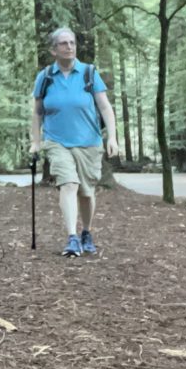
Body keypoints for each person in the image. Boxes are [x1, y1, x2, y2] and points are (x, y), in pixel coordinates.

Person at [28, 27, 119, 257]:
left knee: (87, 193)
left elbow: (105, 107)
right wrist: (36, 142)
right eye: (63, 43)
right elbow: (37, 112)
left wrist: (113, 137)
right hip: (57, 142)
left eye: (72, 43)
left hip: (89, 142)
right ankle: (71, 237)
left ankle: (86, 232)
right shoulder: (46, 77)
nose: (69, 47)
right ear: (53, 50)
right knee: (68, 184)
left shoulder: (89, 73)